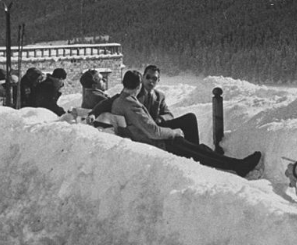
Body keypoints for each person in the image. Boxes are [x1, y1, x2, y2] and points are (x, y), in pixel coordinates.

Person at [111, 70, 262, 178]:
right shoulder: (131, 105)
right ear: (138, 86)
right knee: (198, 153)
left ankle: (236, 164)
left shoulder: (120, 101)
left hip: (150, 139)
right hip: (158, 142)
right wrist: (173, 132)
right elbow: (153, 132)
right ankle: (238, 166)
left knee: (198, 150)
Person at [139, 64, 200, 144]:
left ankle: (195, 147)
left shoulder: (159, 96)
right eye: (148, 77)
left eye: (154, 78)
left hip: (158, 126)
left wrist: (160, 118)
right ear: (143, 77)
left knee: (190, 118)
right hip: (145, 128)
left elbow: (169, 115)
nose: (151, 81)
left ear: (158, 80)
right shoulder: (136, 92)